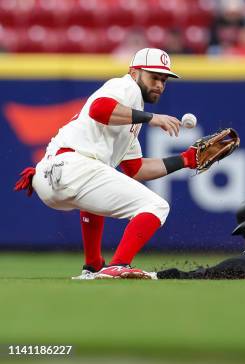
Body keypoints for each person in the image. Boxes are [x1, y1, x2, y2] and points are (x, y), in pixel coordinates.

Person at [14, 48, 207, 280]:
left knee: (97, 194)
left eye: (164, 80)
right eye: (153, 77)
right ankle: (119, 265)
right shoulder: (125, 87)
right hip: (72, 166)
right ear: (134, 72)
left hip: (50, 177)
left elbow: (136, 169)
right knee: (157, 206)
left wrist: (186, 160)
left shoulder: (130, 117)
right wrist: (153, 118)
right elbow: (99, 109)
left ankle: (93, 266)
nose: (159, 84)